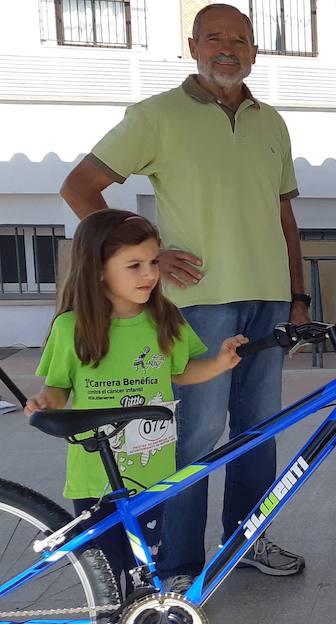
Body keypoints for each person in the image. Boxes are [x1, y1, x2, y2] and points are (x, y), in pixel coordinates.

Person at [59, 3, 309, 577]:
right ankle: (180, 562)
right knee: (194, 437)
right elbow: (79, 188)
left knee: (258, 433)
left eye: (240, 39)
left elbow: (284, 215)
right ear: (192, 45)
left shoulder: (272, 121)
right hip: (197, 306)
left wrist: (298, 294)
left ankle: (246, 544)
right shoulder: (156, 115)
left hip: (267, 302)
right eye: (215, 38)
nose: (228, 49)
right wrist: (144, 255)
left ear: (254, 50)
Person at [26, 210, 246, 593]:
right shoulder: (71, 327)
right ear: (98, 269)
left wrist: (219, 364)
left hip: (151, 473)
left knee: (143, 567)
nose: (149, 274)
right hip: (94, 475)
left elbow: (181, 371)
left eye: (153, 262)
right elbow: (59, 385)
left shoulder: (166, 319)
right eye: (134, 265)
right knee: (107, 575)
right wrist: (48, 399)